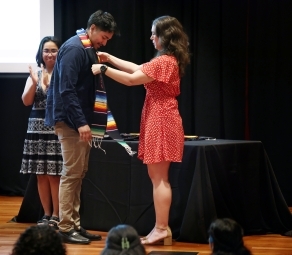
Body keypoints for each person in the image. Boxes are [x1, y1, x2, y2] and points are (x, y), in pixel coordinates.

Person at [91, 15, 190, 245]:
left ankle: (162, 229)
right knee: (157, 177)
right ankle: (161, 228)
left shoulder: (165, 61)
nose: (151, 37)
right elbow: (138, 69)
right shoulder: (165, 60)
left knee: (159, 178)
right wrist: (110, 58)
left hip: (162, 119)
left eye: (154, 33)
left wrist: (103, 68)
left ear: (165, 36)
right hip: (161, 117)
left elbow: (131, 80)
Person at [45, 10, 120, 244]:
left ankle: (75, 224)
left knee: (78, 174)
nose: (104, 42)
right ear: (93, 28)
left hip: (78, 122)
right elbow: (66, 90)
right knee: (71, 174)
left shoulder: (87, 47)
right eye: (104, 37)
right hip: (70, 122)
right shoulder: (75, 49)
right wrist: (81, 123)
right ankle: (66, 227)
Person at [20, 36, 63, 229]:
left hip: (55, 127)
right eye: (46, 50)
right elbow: (26, 101)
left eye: (54, 50)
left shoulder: (63, 73)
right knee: (40, 174)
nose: (50, 54)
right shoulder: (35, 73)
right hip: (36, 127)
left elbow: (58, 98)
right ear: (41, 53)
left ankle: (57, 214)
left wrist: (44, 85)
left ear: (59, 52)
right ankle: (46, 214)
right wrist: (35, 82)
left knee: (54, 174)